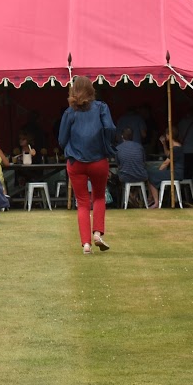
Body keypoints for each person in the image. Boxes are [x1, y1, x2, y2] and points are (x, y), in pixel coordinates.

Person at [58, 75, 116, 253]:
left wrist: (70, 149)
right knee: (99, 197)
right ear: (91, 90)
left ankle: (86, 244)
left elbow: (61, 140)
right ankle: (97, 233)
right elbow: (110, 128)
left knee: (82, 202)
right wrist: (107, 145)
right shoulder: (101, 107)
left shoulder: (70, 112)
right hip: (98, 160)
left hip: (76, 162)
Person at [114, 127, 153, 206]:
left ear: (122, 136)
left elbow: (118, 164)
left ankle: (130, 196)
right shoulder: (139, 147)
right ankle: (138, 196)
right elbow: (143, 162)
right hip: (141, 176)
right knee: (146, 175)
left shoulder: (118, 148)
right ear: (132, 136)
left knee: (118, 177)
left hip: (125, 177)